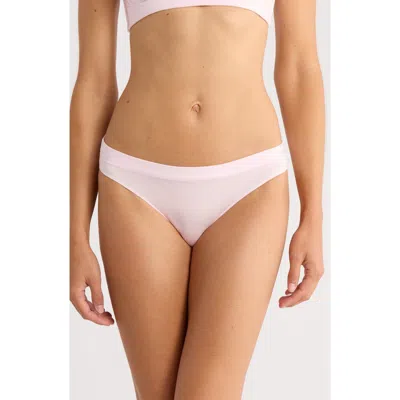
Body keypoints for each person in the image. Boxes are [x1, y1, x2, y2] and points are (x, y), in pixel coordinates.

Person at [70, 1, 325, 398]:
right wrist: (76, 235)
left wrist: (313, 212)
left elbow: (299, 68)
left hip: (249, 187)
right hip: (136, 186)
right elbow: (94, 81)